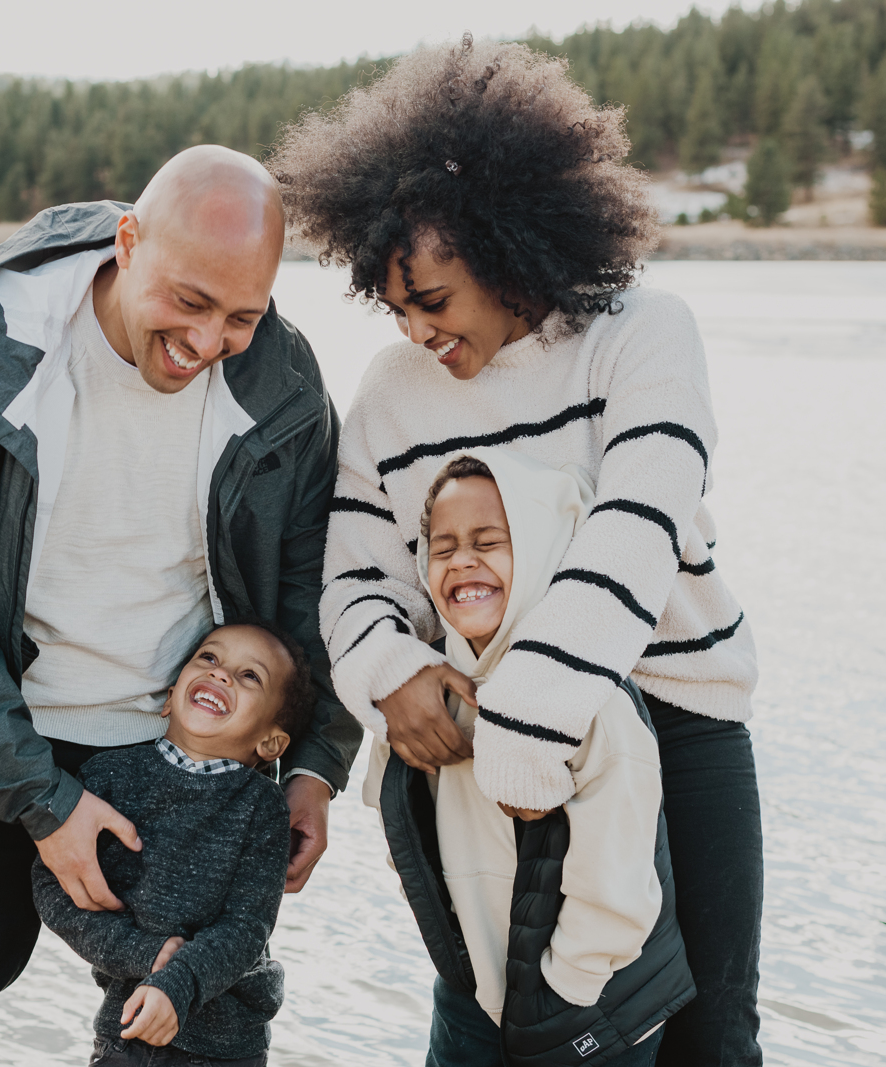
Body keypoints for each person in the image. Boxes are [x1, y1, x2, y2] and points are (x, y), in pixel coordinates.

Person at [0, 145, 362, 1067]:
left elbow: (315, 586)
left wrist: (314, 762)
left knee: (200, 1027)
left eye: (241, 316)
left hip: (178, 751)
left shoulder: (283, 381)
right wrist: (44, 802)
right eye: (188, 302)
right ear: (128, 241)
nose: (207, 342)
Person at [270, 37, 763, 1067]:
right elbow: (356, 577)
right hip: (479, 744)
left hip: (675, 723)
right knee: (487, 1029)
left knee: (709, 1037)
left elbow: (639, 524)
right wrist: (391, 670)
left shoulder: (641, 334)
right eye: (395, 307)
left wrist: (537, 705)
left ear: (506, 247)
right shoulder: (388, 394)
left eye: (435, 302)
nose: (417, 332)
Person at [366, 449, 695, 1067]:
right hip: (474, 987)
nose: (463, 559)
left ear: (544, 549)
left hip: (592, 1000)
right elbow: (397, 819)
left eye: (491, 541)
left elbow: (618, 887)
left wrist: (563, 989)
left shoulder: (591, 700)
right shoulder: (431, 687)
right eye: (444, 547)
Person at [34, 620, 316, 1067]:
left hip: (228, 1043)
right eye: (209, 658)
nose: (221, 674)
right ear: (168, 697)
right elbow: (53, 888)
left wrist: (178, 981)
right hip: (128, 1029)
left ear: (271, 741)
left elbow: (248, 926)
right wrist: (141, 953)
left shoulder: (263, 806)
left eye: (250, 676)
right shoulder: (109, 776)